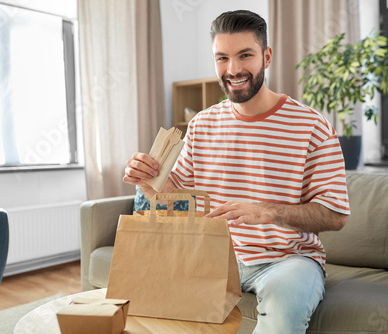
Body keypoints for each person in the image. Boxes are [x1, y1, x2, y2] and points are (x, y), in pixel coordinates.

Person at [123, 9, 350, 334]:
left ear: (266, 56)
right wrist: (147, 181)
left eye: (245, 55)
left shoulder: (311, 125)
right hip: (215, 254)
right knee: (156, 309)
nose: (233, 69)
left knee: (283, 316)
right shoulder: (201, 125)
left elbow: (335, 215)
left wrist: (267, 212)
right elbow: (177, 199)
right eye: (222, 58)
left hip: (288, 260)